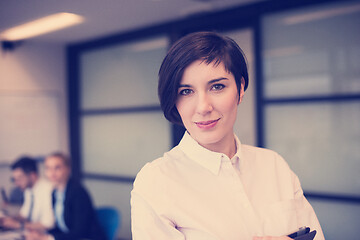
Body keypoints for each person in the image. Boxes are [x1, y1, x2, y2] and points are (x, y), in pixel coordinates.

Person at [131, 31, 325, 240]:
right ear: (174, 100)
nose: (203, 107)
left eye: (217, 86)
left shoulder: (274, 165)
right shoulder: (156, 181)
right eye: (186, 91)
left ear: (240, 89)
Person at [26, 152, 106, 240]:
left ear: (68, 169)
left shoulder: (77, 192)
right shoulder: (55, 193)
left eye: (57, 168)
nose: (52, 172)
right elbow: (62, 227)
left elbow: (80, 232)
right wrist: (42, 234)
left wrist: (48, 238)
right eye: (48, 168)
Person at [0, 156, 54, 231]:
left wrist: (17, 225)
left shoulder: (48, 190)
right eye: (14, 179)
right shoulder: (28, 189)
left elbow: (47, 224)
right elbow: (24, 215)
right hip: (31, 233)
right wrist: (6, 220)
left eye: (19, 178)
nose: (16, 184)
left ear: (32, 175)